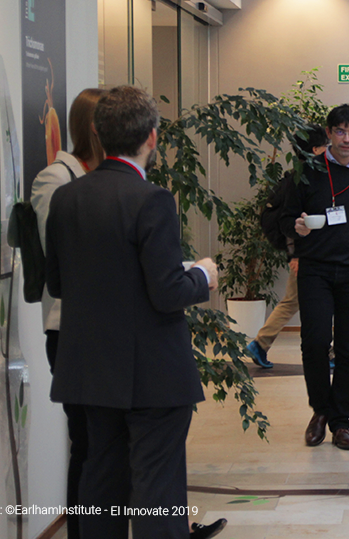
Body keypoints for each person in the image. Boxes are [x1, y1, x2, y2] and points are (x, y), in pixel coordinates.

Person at [45, 85, 219, 539]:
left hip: (91, 372)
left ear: (98, 136)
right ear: (153, 139)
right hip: (154, 377)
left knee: (101, 486)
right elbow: (166, 292)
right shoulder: (152, 200)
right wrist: (203, 275)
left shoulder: (67, 198)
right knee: (157, 495)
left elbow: (58, 284)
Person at [281, 104, 349, 450]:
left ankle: (341, 423)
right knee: (314, 341)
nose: (346, 138)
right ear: (328, 133)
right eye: (340, 131)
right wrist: (294, 228)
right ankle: (320, 411)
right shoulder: (308, 171)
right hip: (315, 269)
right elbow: (283, 215)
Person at [31, 87, 105, 539]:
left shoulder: (116, 177)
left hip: (111, 329)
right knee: (89, 443)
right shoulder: (56, 180)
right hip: (72, 331)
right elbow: (60, 254)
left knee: (116, 443)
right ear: (97, 128)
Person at [246, 129, 328, 369]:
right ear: (315, 150)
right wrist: (295, 255)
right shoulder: (300, 180)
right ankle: (260, 343)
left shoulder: (309, 177)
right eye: (326, 144)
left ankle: (327, 352)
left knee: (311, 301)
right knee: (293, 301)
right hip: (304, 255)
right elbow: (289, 221)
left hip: (312, 253)